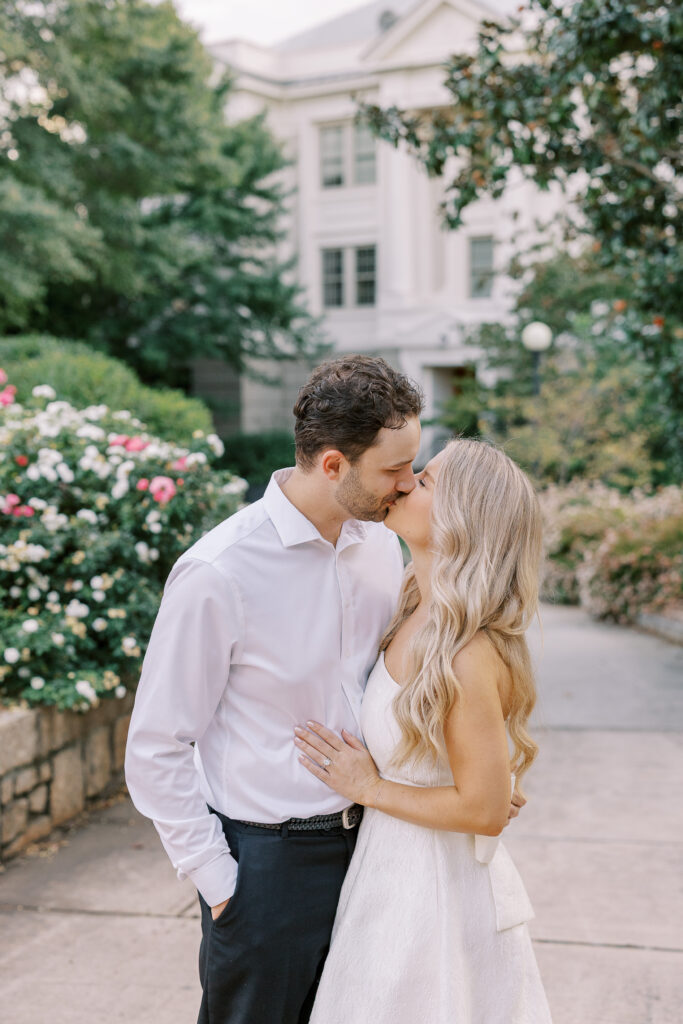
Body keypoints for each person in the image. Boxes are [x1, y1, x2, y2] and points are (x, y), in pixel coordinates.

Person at [125, 354, 438, 1024]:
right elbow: (156, 744)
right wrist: (220, 882)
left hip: (379, 847)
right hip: (268, 868)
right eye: (392, 470)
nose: (407, 485)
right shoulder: (219, 572)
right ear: (332, 465)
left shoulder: (382, 549)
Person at [295, 438, 553, 1023]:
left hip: (434, 899)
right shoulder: (413, 605)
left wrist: (371, 788)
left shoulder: (465, 652)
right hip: (390, 877)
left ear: (462, 522)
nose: (406, 482)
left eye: (427, 481)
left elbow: (485, 810)